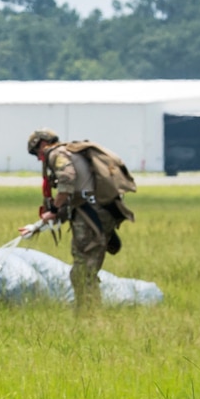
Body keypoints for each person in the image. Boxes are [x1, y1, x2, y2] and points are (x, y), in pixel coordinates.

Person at [24, 128, 135, 312]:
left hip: (90, 216)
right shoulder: (70, 152)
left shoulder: (56, 154)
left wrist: (53, 209)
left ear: (42, 144)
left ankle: (87, 314)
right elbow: (74, 193)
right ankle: (90, 311)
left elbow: (67, 180)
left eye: (36, 153)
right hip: (97, 212)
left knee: (82, 272)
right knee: (86, 271)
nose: (38, 158)